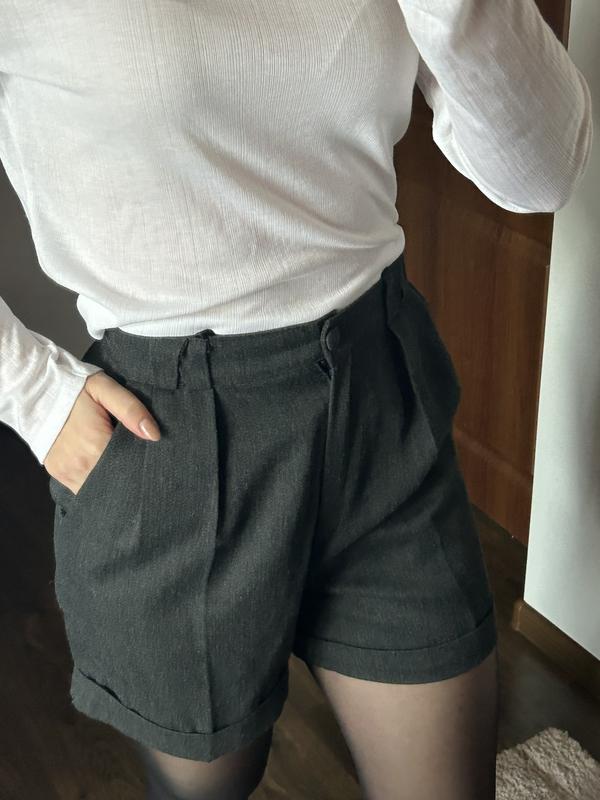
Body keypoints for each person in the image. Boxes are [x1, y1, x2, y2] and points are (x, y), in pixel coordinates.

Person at [0, 2, 592, 799]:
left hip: (381, 404)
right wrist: (30, 390)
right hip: (170, 435)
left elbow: (542, 174)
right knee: (209, 786)